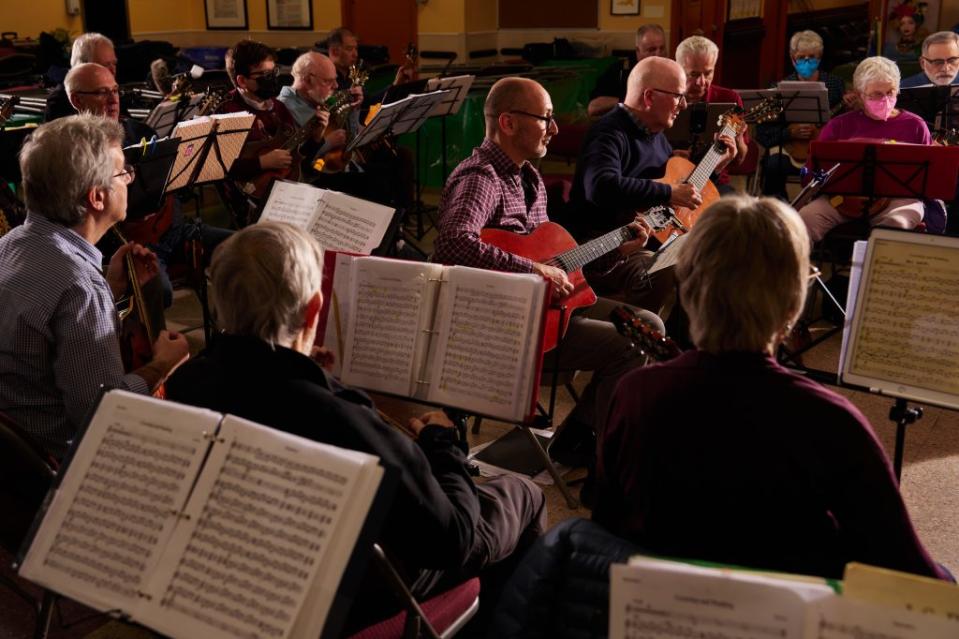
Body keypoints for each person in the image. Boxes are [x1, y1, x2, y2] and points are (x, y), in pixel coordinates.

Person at [165, 222, 547, 631]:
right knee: (524, 493)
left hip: (239, 572)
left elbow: (264, 385)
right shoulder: (343, 422)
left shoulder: (186, 384)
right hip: (350, 589)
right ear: (314, 309)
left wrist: (308, 369)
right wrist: (444, 444)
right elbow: (452, 540)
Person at [594, 195, 951, 582]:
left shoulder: (634, 393)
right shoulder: (832, 420)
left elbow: (607, 527)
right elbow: (908, 571)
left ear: (687, 289)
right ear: (793, 302)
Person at [433, 76, 662, 474]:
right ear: (507, 122)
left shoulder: (530, 177)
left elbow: (559, 261)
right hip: (506, 325)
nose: (555, 129)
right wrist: (532, 268)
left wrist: (618, 249)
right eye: (546, 118)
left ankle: (579, 434)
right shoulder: (481, 178)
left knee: (648, 325)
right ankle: (595, 452)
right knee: (629, 346)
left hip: (550, 310)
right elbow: (453, 244)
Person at [0, 115, 189, 458]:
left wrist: (111, 285)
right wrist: (163, 364)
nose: (129, 179)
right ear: (97, 198)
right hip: (52, 464)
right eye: (122, 173)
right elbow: (102, 410)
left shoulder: (11, 243)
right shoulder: (80, 286)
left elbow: (51, 332)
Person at [566, 56, 736, 318]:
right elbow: (600, 187)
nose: (684, 104)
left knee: (717, 248)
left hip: (650, 237)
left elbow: (670, 191)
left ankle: (693, 346)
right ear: (648, 97)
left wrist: (715, 165)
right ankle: (635, 344)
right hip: (608, 247)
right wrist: (669, 193)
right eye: (678, 96)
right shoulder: (608, 133)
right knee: (666, 268)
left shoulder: (653, 133)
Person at [65, 62, 232, 309]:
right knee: (159, 292)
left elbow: (175, 188)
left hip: (174, 229)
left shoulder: (137, 130)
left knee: (248, 249)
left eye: (115, 90)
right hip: (128, 243)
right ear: (77, 100)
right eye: (102, 92)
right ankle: (150, 344)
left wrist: (189, 168)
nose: (113, 100)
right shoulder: (71, 148)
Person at [797, 56, 930, 242]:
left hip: (896, 201)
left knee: (897, 223)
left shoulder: (915, 125)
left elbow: (928, 180)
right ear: (859, 94)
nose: (885, 99)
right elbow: (811, 175)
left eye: (891, 92)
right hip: (842, 200)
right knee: (804, 220)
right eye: (876, 94)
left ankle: (875, 270)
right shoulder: (838, 125)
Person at [218, 40, 317, 226]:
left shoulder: (278, 106)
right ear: (242, 80)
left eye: (273, 72)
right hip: (248, 200)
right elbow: (221, 167)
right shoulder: (227, 111)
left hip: (287, 190)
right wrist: (261, 162)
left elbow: (297, 155)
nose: (272, 79)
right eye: (264, 75)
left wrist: (316, 138)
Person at [756, 30, 847, 200]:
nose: (806, 61)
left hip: (821, 149)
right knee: (773, 166)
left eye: (812, 57)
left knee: (835, 170)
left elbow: (843, 126)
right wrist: (789, 133)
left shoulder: (835, 84)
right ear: (792, 58)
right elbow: (763, 134)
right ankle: (778, 209)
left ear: (819, 57)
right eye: (801, 57)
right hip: (789, 151)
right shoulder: (778, 87)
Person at [673, 35, 748, 191]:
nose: (701, 82)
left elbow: (739, 161)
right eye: (693, 74)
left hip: (714, 181)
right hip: (669, 178)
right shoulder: (665, 96)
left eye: (708, 73)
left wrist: (738, 140)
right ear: (678, 69)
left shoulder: (729, 99)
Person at [587, 24, 667, 118]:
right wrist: (630, 102)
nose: (658, 55)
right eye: (651, 50)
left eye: (662, 48)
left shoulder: (671, 72)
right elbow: (593, 107)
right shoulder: (620, 71)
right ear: (638, 51)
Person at [44, 32, 119, 122]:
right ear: (82, 66)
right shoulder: (60, 101)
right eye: (104, 65)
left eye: (114, 63)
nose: (112, 71)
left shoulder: (113, 92)